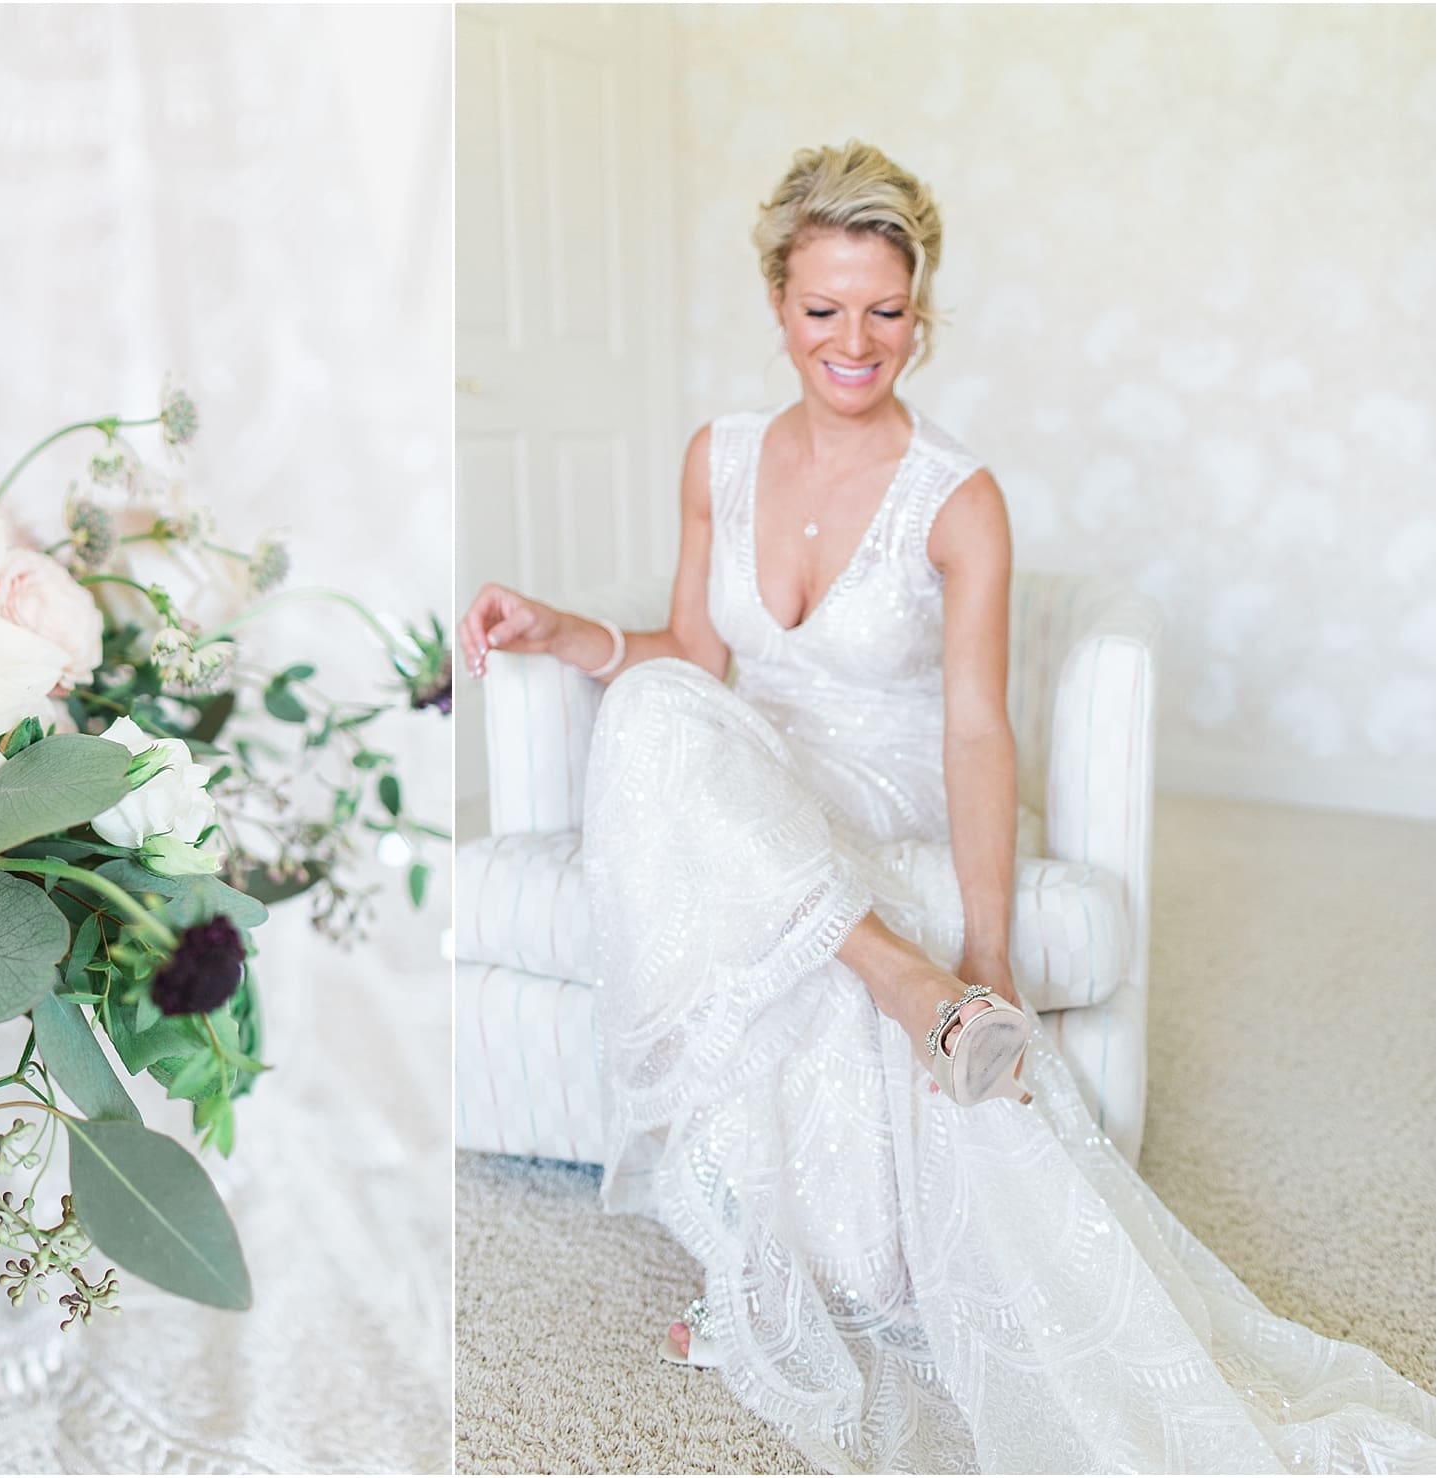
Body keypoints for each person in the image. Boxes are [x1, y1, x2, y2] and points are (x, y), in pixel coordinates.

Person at [457, 141, 1434, 1473]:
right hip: (754, 769)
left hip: (881, 781)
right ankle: (895, 985)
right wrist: (560, 628)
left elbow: (977, 727)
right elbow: (693, 652)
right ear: (776, 302)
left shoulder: (958, 498)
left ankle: (816, 1195)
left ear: (921, 311)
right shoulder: (716, 458)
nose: (855, 343)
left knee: (703, 807)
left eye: (887, 310)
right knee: (653, 712)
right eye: (824, 308)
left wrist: (988, 947)